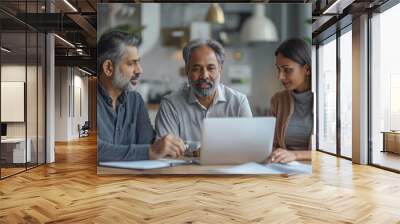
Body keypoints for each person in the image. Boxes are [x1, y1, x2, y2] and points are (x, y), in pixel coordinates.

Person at [97, 31, 185, 162]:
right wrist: (150, 151)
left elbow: (149, 143)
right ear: (108, 68)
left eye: (138, 62)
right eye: (131, 63)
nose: (139, 70)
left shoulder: (135, 101)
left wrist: (173, 146)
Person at [155, 39, 252, 143]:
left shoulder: (238, 102)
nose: (204, 76)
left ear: (220, 69)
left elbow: (249, 144)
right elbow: (166, 152)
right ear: (187, 70)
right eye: (197, 69)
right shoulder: (171, 105)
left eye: (211, 68)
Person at [266, 38, 313, 163]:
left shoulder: (327, 101)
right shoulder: (278, 100)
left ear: (306, 70)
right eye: (278, 69)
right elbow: (271, 143)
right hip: (284, 172)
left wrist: (295, 155)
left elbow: (334, 150)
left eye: (287, 70)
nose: (280, 76)